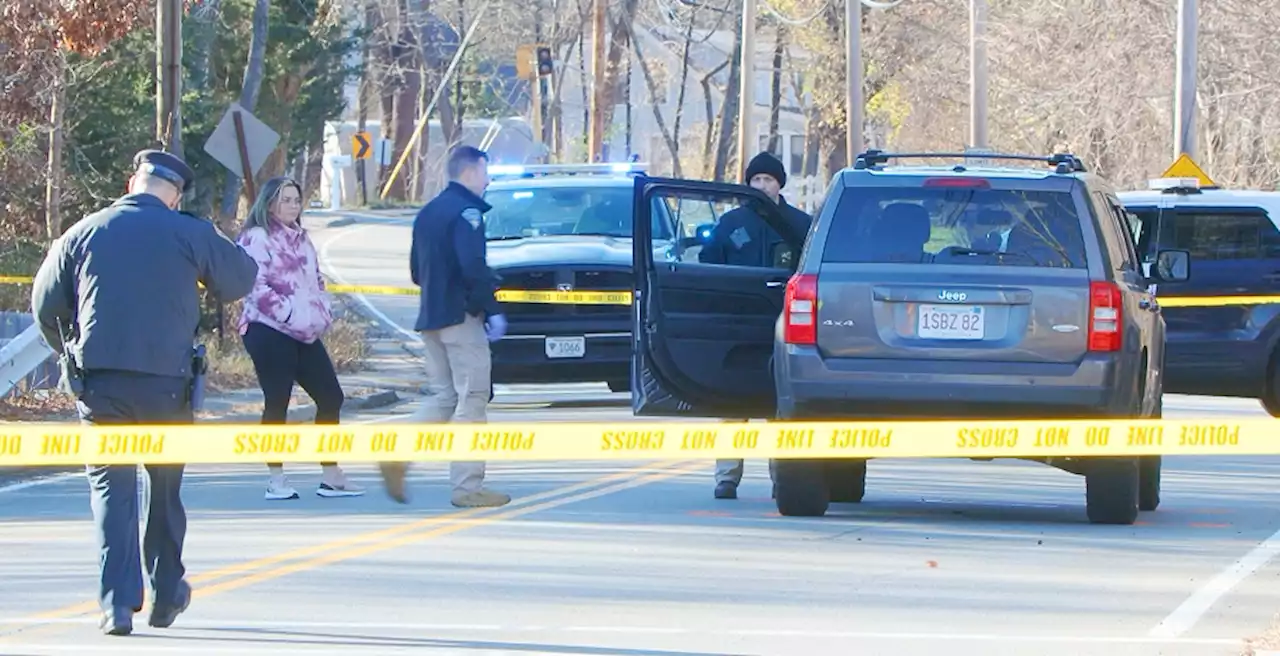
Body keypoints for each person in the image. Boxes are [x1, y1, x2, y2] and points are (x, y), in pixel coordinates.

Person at [31, 149, 259, 636]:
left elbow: (44, 304)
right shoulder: (189, 232)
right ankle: (166, 592)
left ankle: (116, 603)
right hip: (167, 386)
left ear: (132, 181)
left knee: (111, 491)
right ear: (174, 195)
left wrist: (69, 346)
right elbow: (241, 277)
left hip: (101, 384)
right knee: (164, 487)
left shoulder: (85, 231)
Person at [378, 145, 511, 508]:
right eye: (485, 172)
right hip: (461, 320)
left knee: (444, 398)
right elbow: (472, 265)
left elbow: (416, 272)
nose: (487, 180)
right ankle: (468, 488)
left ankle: (398, 452)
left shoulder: (428, 212)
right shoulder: (467, 212)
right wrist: (491, 308)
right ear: (469, 173)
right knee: (472, 400)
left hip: (431, 319)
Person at [236, 176, 365, 501]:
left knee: (331, 396)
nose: (293, 206)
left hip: (305, 331)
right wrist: (290, 313)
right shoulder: (257, 238)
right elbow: (253, 285)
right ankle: (276, 479)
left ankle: (332, 476)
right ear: (269, 204)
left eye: (296, 200)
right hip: (267, 328)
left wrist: (320, 312)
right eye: (286, 200)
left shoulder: (302, 239)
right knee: (278, 399)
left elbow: (316, 281)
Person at [698, 151, 813, 500]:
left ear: (780, 183)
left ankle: (783, 476)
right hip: (739, 326)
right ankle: (727, 477)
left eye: (769, 180)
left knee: (782, 407)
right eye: (756, 180)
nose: (762, 186)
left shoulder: (800, 224)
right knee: (733, 405)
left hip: (785, 327)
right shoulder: (731, 224)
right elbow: (708, 266)